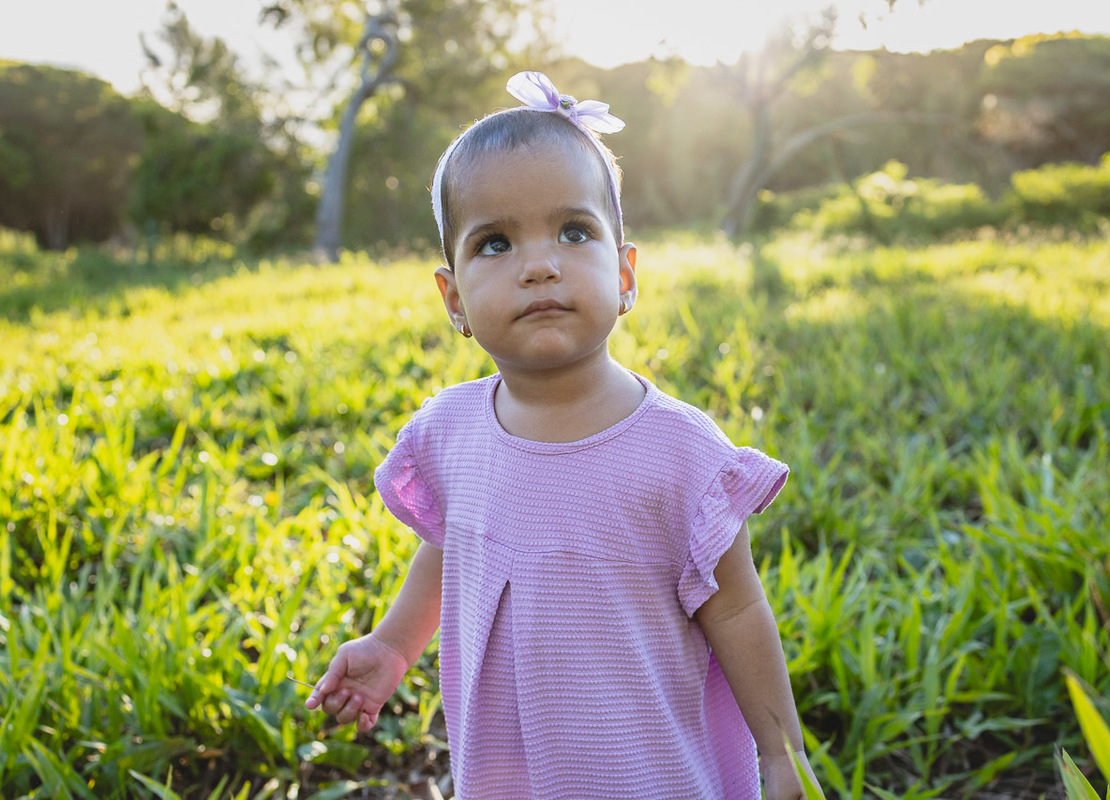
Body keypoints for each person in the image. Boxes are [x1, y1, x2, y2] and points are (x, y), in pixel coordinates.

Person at [305, 71, 824, 800]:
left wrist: (781, 751)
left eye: (573, 232)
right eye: (494, 243)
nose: (540, 264)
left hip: (646, 772)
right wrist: (393, 644)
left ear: (624, 273)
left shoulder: (679, 452)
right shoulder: (450, 430)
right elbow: (454, 547)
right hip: (508, 773)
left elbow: (738, 608)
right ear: (453, 298)